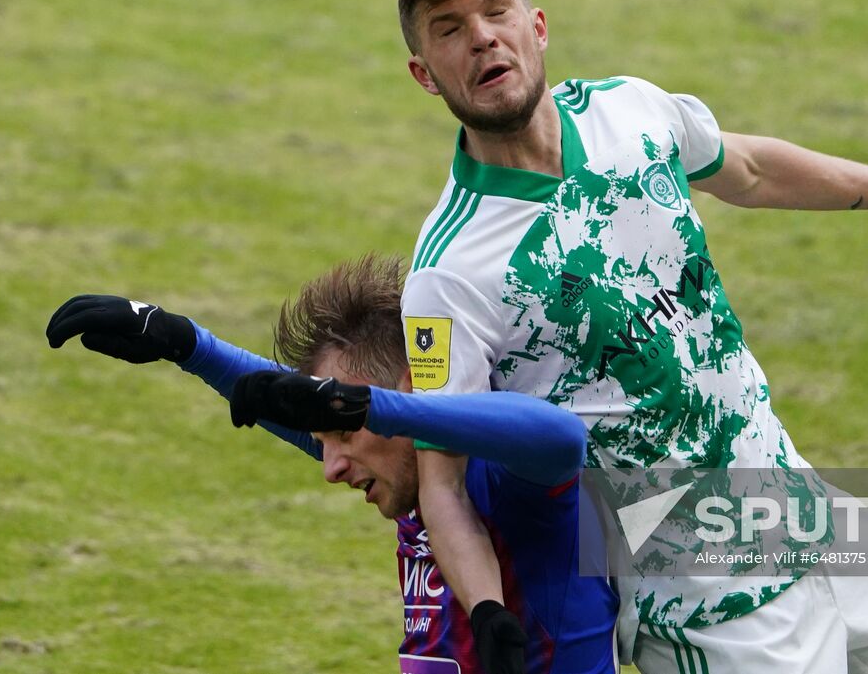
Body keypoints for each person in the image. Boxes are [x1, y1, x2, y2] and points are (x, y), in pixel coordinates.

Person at [393, 0, 868, 673]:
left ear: (538, 26)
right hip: (706, 606)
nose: (482, 36)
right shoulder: (450, 271)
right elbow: (441, 481)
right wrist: (487, 611)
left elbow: (750, 170)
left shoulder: (629, 112)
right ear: (424, 73)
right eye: (448, 29)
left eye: (496, 10)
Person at [45, 253, 618, 674]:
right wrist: (186, 344)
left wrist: (380, 409)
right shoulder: (411, 484)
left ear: (409, 391)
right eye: (323, 438)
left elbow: (562, 439)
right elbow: (301, 415)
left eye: (343, 430)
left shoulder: (495, 483)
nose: (329, 467)